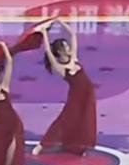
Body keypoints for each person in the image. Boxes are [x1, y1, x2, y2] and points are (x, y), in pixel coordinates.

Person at [31, 20, 96, 156]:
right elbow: (49, 52)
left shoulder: (74, 58)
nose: (69, 48)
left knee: (85, 120)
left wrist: (60, 22)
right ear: (60, 51)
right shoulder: (60, 68)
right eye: (66, 47)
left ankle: (78, 147)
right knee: (65, 120)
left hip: (88, 94)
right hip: (76, 98)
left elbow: (73, 35)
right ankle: (42, 145)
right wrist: (44, 33)